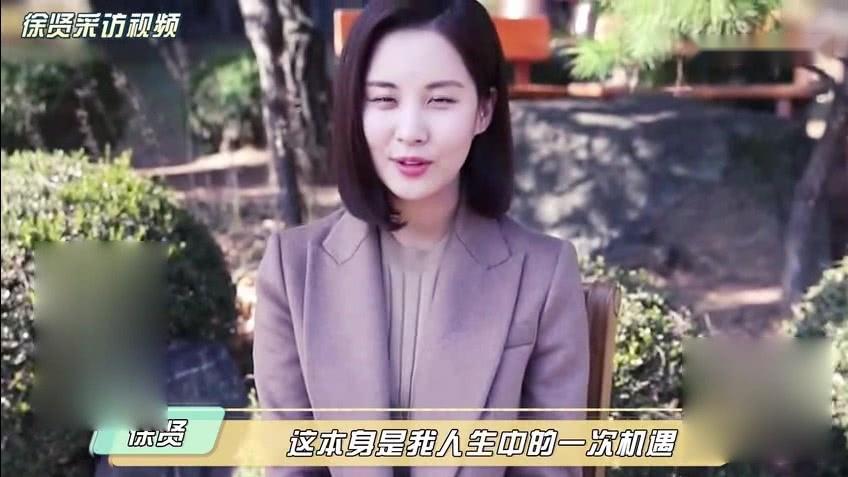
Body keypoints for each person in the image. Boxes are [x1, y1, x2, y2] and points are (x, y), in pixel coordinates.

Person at [253, 1, 590, 476]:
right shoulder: (293, 272)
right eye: (384, 100)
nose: (411, 132)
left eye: (440, 101)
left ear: (484, 110)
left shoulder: (542, 274)